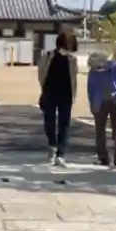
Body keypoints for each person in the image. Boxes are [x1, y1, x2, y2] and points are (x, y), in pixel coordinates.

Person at [35, 28, 78, 167]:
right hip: (50, 93)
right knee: (49, 122)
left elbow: (74, 78)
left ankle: (61, 154)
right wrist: (44, 88)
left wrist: (74, 95)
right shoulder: (48, 56)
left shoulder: (72, 60)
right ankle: (52, 145)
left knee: (64, 125)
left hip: (66, 95)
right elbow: (41, 73)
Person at [87, 50, 116, 168]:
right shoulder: (93, 72)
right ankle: (103, 157)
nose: (96, 67)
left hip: (115, 100)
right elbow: (90, 89)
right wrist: (92, 104)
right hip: (99, 103)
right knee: (100, 130)